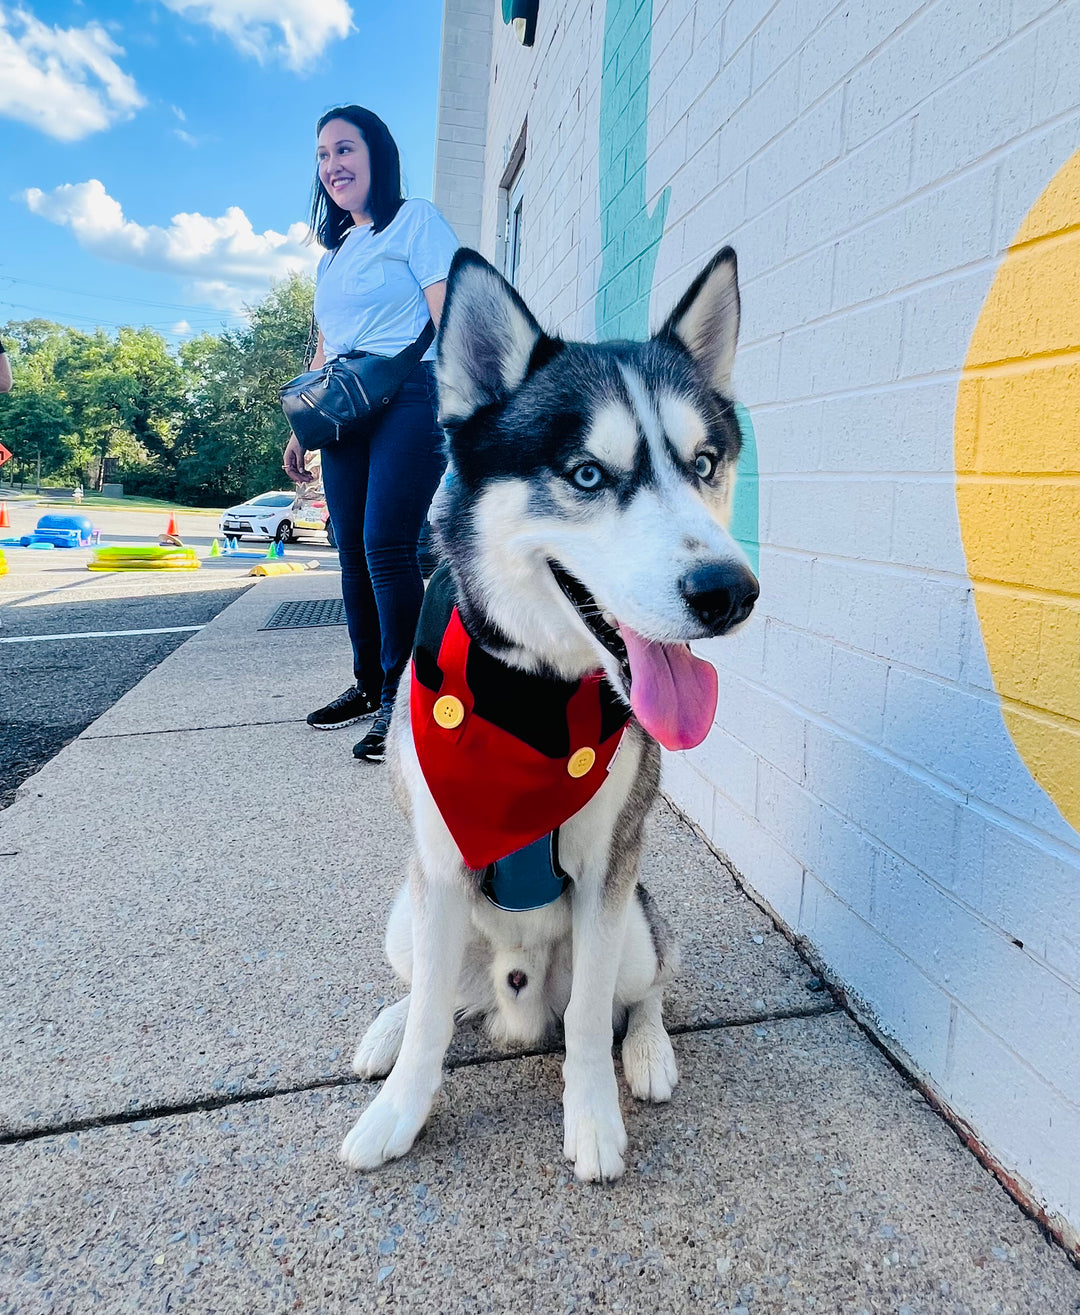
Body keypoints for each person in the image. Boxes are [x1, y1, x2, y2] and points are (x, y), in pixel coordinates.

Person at [283, 105, 458, 763]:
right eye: (323, 155)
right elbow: (329, 349)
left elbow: (449, 315)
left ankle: (406, 698)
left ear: (376, 154)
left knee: (386, 544)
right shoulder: (334, 255)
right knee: (350, 547)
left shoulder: (416, 222)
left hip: (412, 394)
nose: (333, 166)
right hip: (346, 407)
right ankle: (367, 683)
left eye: (345, 149)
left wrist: (469, 403)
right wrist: (303, 427)